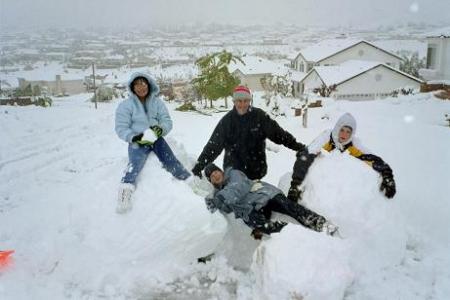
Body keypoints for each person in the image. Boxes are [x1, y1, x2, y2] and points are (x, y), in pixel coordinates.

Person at [191, 85, 306, 181]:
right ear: (234, 101)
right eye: (239, 101)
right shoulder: (227, 121)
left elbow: (279, 134)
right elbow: (213, 146)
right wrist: (199, 166)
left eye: (245, 101)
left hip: (256, 170)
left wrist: (298, 146)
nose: (242, 104)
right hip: (234, 171)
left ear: (250, 101)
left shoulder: (259, 117)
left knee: (257, 198)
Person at [115, 72, 190, 213]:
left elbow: (166, 121)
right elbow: (121, 128)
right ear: (132, 87)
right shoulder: (126, 106)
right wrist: (134, 137)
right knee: (134, 165)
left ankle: (188, 182)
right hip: (138, 140)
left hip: (155, 138)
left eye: (143, 83)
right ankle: (125, 193)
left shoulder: (157, 103)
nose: (140, 87)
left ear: (149, 85)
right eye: (137, 84)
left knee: (171, 161)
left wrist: (159, 130)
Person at [203, 163, 339, 238]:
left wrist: (219, 199)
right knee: (260, 226)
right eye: (211, 176)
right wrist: (211, 204)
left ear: (220, 171)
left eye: (215, 171)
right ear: (211, 182)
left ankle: (322, 224)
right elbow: (225, 208)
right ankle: (288, 234)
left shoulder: (233, 174)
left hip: (265, 195)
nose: (214, 175)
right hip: (252, 210)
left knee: (291, 208)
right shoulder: (219, 194)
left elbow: (238, 188)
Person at [287, 113, 396, 202]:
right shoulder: (326, 137)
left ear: (352, 134)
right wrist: (296, 186)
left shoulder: (353, 145)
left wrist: (387, 176)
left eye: (348, 132)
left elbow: (373, 159)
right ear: (337, 128)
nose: (344, 134)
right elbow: (305, 157)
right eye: (342, 130)